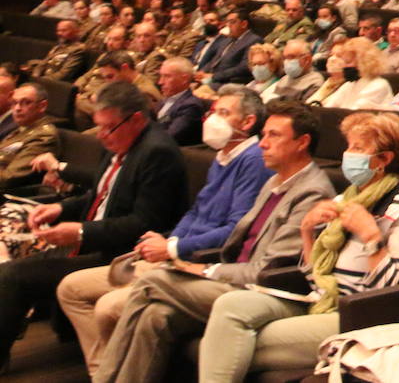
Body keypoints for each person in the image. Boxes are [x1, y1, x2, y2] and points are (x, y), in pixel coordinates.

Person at [87, 100, 334, 381]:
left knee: (151, 281)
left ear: (302, 142)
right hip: (232, 277)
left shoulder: (311, 192)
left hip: (261, 291)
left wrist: (206, 271)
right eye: (263, 134)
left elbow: (266, 269)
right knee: (155, 314)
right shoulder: (274, 181)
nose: (263, 143)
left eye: (273, 135)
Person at [58, 86, 272, 375]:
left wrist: (173, 248)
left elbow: (236, 230)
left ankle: (112, 375)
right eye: (212, 111)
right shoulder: (224, 157)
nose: (212, 119)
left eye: (223, 113)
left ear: (247, 122)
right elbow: (196, 212)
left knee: (108, 307)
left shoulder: (254, 161)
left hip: (201, 262)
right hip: (177, 254)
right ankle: (106, 372)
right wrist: (169, 240)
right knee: (71, 289)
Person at [0, 83, 188, 369]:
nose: (101, 135)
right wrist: (60, 208)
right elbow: (101, 194)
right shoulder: (116, 142)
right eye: (99, 127)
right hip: (93, 238)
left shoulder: (158, 153)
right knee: (12, 262)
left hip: (120, 254)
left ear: (136, 118)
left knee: (13, 275)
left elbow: (145, 222)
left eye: (108, 127)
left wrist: (78, 232)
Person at [0, 83, 59, 190]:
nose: (17, 108)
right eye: (14, 103)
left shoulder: (44, 135)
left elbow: (8, 178)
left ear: (42, 106)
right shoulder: (22, 127)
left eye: (26, 102)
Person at [306, 38, 393, 109]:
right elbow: (328, 108)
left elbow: (354, 114)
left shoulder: (378, 85)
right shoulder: (349, 85)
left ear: (364, 62)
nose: (344, 66)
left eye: (348, 62)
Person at [154, 56, 209, 145]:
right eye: (160, 76)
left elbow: (169, 137)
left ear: (184, 79)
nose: (160, 82)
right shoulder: (164, 100)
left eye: (167, 76)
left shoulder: (191, 106)